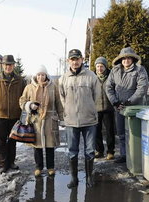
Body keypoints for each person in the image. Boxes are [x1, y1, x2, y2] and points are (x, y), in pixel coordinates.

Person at [59, 49, 100, 188]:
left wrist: (89, 109)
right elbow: (62, 97)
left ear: (82, 59)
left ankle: (89, 177)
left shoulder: (91, 76)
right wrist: (68, 111)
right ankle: (74, 179)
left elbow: (96, 96)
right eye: (72, 59)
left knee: (89, 151)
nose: (75, 62)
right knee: (72, 151)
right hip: (71, 121)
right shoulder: (63, 78)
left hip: (89, 120)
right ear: (68, 61)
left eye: (77, 59)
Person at [105, 47, 149, 163]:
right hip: (119, 108)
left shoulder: (139, 70)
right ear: (120, 60)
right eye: (124, 58)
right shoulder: (115, 71)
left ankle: (136, 156)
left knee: (135, 133)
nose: (126, 60)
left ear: (133, 59)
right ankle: (124, 155)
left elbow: (142, 88)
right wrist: (115, 102)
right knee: (121, 133)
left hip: (135, 108)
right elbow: (108, 87)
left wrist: (129, 101)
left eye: (128, 58)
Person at [19, 65, 63, 177]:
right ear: (35, 76)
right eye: (38, 75)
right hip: (35, 120)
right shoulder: (29, 87)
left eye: (42, 75)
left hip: (50, 119)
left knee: (49, 145)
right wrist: (29, 105)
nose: (40, 77)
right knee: (37, 145)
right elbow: (22, 101)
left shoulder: (53, 87)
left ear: (46, 75)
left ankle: (50, 167)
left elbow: (58, 103)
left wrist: (61, 118)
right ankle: (38, 167)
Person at [0, 55, 27, 174]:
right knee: (1, 141)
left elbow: (25, 96)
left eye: (10, 64)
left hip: (15, 116)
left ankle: (11, 162)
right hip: (0, 116)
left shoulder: (20, 80)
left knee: (13, 140)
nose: (8, 66)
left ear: (13, 66)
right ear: (2, 65)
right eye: (6, 64)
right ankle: (3, 164)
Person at [94, 57, 116, 160]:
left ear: (105, 66)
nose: (99, 68)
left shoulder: (111, 76)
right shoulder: (93, 77)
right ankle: (99, 150)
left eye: (101, 66)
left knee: (110, 131)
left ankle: (110, 152)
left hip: (109, 107)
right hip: (96, 108)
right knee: (96, 130)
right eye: (98, 66)